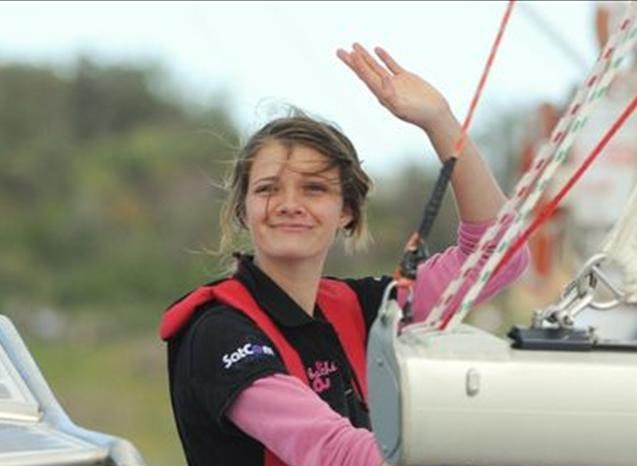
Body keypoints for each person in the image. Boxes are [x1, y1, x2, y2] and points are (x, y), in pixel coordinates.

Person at [159, 43, 529, 466]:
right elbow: (333, 453)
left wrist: (439, 122)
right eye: (267, 189)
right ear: (244, 210)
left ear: (346, 211)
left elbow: (499, 260)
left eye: (313, 189)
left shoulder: (360, 309)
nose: (288, 204)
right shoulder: (219, 332)